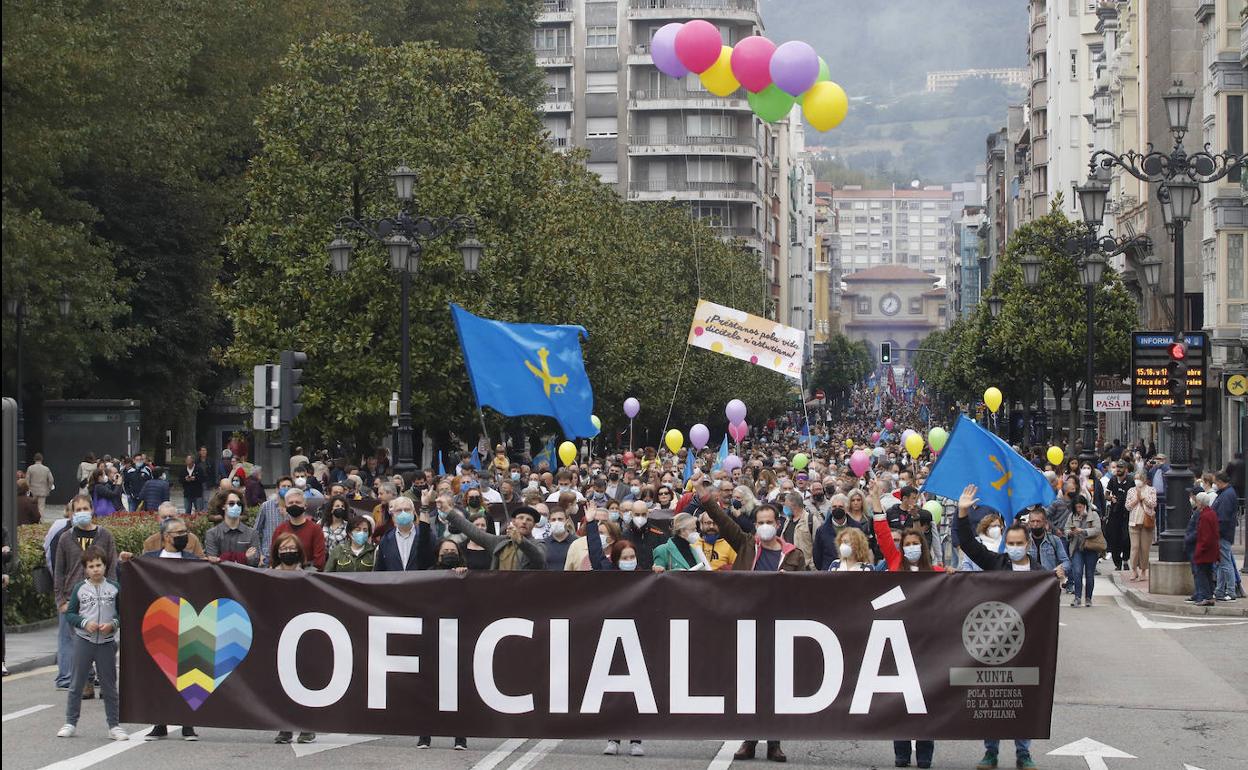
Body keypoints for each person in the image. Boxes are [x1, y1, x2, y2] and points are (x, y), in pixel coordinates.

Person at [699, 484, 800, 763]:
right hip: (747, 624)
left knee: (776, 687)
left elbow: (805, 591)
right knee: (749, 686)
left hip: (778, 627)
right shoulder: (745, 544)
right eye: (760, 523)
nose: (765, 527)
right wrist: (705, 496)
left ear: (778, 524)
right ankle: (749, 740)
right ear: (754, 526)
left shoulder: (794, 555)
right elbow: (722, 520)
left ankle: (774, 743)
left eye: (769, 522)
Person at [954, 485, 1039, 770]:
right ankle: (990, 752)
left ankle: (1023, 753)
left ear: (1027, 544)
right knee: (993, 699)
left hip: (1027, 646)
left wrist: (1058, 581)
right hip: (994, 645)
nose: (1014, 548)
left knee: (1023, 700)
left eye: (1019, 543)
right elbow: (967, 543)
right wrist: (963, 511)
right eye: (1010, 543)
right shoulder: (995, 562)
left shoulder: (1040, 574)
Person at [55, 548, 127, 741]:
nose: (96, 569)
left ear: (105, 566)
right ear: (85, 569)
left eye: (99, 565)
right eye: (91, 566)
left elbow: (124, 613)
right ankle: (70, 722)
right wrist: (84, 623)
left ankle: (114, 726)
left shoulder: (115, 588)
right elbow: (70, 614)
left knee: (109, 686)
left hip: (107, 643)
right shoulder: (80, 588)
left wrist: (113, 624)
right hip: (83, 641)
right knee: (76, 684)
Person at [141, 518, 201, 741]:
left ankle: (188, 726)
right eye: (179, 532)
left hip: (187, 623)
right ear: (166, 536)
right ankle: (160, 724)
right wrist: (125, 562)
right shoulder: (149, 561)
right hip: (158, 624)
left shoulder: (193, 560)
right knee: (159, 676)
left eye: (185, 531)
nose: (184, 535)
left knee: (189, 676)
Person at [53, 495, 119, 699]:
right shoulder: (66, 537)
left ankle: (106, 681)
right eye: (77, 509)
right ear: (72, 513)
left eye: (84, 508)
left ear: (92, 510)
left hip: (102, 596)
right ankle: (87, 682)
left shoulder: (105, 535)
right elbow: (59, 571)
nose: (81, 512)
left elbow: (112, 567)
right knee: (80, 643)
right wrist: (61, 601)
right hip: (74, 596)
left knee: (104, 640)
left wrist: (114, 595)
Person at [268, 533, 315, 744]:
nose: (288, 552)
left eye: (291, 548)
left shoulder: (311, 575)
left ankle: (307, 726)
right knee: (280, 683)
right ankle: (284, 727)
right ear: (277, 552)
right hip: (276, 634)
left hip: (304, 634)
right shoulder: (266, 576)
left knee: (305, 681)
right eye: (283, 548)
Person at [445, 502, 546, 570]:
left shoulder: (538, 544)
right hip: (500, 590)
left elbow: (539, 560)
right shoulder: (500, 541)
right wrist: (449, 511)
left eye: (529, 520)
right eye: (521, 518)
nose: (524, 522)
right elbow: (473, 532)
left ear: (534, 525)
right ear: (513, 522)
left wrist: (521, 541)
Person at [373, 497, 434, 571]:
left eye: (407, 510)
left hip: (419, 581)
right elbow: (380, 569)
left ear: (413, 512)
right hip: (394, 581)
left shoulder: (426, 535)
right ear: (393, 514)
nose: (403, 513)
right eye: (399, 510)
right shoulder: (386, 539)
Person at [272, 488, 327, 571]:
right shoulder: (280, 530)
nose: (294, 505)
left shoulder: (315, 529)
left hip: (308, 576)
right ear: (286, 506)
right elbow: (274, 556)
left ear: (305, 505)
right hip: (283, 575)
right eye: (290, 503)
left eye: (298, 502)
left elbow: (319, 560)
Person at [1065, 496, 1103, 608]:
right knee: (1077, 572)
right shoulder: (1072, 516)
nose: (1079, 509)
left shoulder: (1093, 515)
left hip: (1091, 548)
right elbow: (1066, 529)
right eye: (1076, 507)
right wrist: (1070, 533)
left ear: (1085, 505)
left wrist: (1084, 531)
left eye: (1080, 507)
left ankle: (1088, 598)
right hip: (1077, 548)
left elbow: (1097, 529)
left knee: (1089, 574)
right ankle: (1077, 597)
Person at [204, 491, 260, 566]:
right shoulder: (212, 533)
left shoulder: (252, 533)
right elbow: (214, 562)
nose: (236, 506)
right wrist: (244, 557)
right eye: (231, 503)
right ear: (223, 506)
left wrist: (224, 557)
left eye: (239, 503)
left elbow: (254, 561)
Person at [1210, 470, 1241, 601]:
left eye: (1215, 482)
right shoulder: (1226, 493)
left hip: (1223, 533)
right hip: (1223, 532)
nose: (1214, 484)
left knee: (1225, 562)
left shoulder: (1226, 495)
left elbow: (1223, 517)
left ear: (1220, 482)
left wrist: (1217, 532)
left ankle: (1230, 590)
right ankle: (1220, 590)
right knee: (1222, 562)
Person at [1188, 492, 1221, 606]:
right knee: (1207, 573)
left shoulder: (1205, 516)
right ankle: (1210, 595)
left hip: (1205, 551)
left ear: (1201, 503)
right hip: (1211, 550)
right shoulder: (1211, 513)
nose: (1196, 503)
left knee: (1202, 573)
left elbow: (1205, 537)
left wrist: (1199, 551)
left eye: (1197, 501)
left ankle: (1207, 596)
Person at [1125, 470, 1156, 583]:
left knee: (1145, 548)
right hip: (1134, 522)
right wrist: (1136, 500)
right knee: (1135, 547)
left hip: (1146, 522)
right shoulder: (1131, 491)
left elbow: (1153, 504)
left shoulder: (1151, 490)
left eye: (1139, 478)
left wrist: (1143, 497)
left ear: (1144, 479)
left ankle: (1143, 570)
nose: (1137, 481)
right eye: (1135, 478)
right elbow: (1127, 506)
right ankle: (1133, 569)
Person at [1024, 509, 1069, 585]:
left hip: (1049, 583)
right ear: (1029, 523)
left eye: (1038, 521)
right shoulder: (1024, 541)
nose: (1035, 524)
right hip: (1030, 584)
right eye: (1032, 521)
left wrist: (1061, 569)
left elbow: (1066, 561)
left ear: (1045, 523)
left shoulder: (1054, 540)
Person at [782, 491, 823, 567]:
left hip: (806, 567)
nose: (784, 506)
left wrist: (812, 564)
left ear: (793, 505)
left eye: (785, 504)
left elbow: (819, 544)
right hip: (788, 566)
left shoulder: (811, 520)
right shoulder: (787, 520)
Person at [1104, 461, 1132, 570]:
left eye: (1121, 467)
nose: (1118, 469)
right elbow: (1106, 494)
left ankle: (1125, 559)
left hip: (1127, 512)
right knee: (1114, 538)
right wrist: (1111, 498)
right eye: (1117, 467)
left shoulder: (1130, 480)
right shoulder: (1113, 480)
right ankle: (1117, 563)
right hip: (1115, 512)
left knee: (1126, 538)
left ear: (1126, 469)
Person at [26, 452, 55, 517]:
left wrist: (28, 489)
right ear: (42, 459)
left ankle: (33, 521)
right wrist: (49, 488)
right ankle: (41, 522)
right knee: (41, 507)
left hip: (33, 491)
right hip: (43, 490)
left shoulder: (30, 468)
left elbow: (27, 480)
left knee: (33, 506)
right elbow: (51, 480)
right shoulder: (46, 469)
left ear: (34, 459)